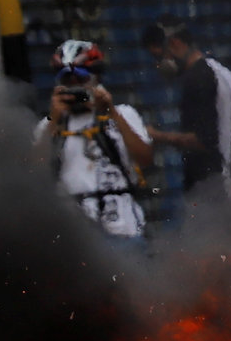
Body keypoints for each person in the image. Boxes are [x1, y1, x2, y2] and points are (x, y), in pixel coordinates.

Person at [34, 46, 154, 241]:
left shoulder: (124, 114)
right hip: (76, 240)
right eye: (68, 81)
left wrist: (111, 112)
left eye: (81, 80)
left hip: (124, 231)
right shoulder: (48, 124)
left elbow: (145, 158)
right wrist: (53, 118)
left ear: (96, 79)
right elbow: (32, 172)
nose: (75, 87)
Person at [139, 18, 231, 230]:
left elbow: (202, 140)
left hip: (215, 188)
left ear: (176, 44)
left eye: (159, 56)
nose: (159, 64)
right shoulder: (220, 72)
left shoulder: (197, 80)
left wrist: (155, 135)